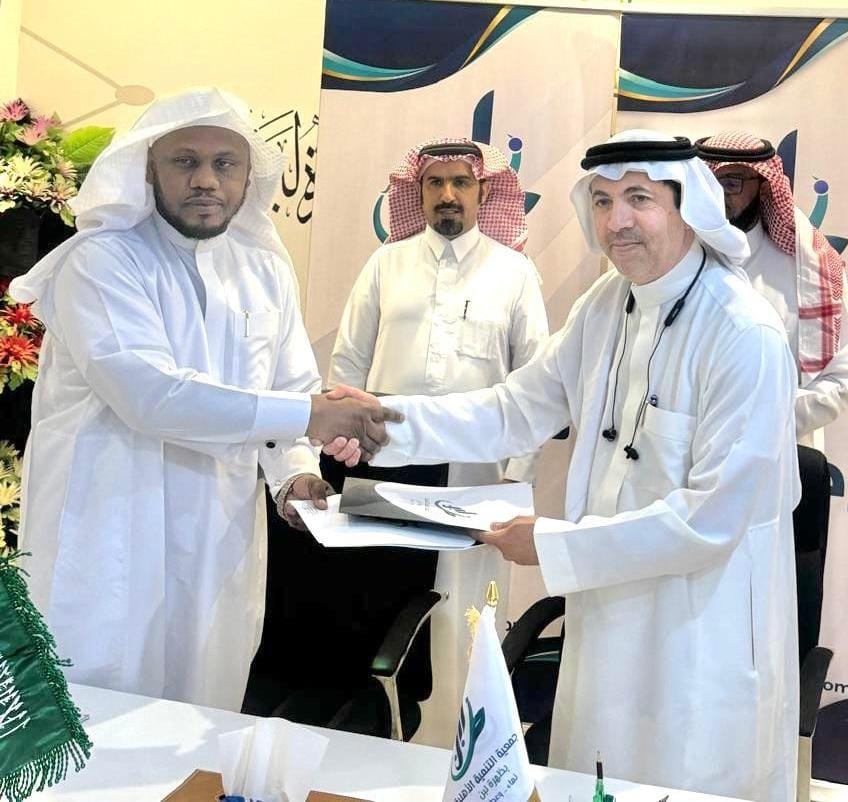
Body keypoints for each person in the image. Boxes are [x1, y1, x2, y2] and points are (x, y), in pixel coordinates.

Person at [326, 129, 801, 801]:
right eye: (602, 201)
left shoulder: (744, 333)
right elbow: (513, 408)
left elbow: (712, 520)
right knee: (592, 776)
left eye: (639, 198)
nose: (617, 221)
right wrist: (383, 420)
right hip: (606, 611)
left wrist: (551, 544)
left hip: (699, 632)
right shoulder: (604, 306)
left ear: (689, 207)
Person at [9, 87, 398, 711]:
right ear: (149, 168)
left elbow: (288, 385)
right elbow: (150, 395)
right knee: (95, 716)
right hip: (109, 529)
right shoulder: (101, 260)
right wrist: (313, 415)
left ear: (248, 175)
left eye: (224, 163)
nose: (206, 180)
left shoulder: (264, 268)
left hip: (219, 537)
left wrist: (294, 477)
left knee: (203, 710)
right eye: (185, 161)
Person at [323, 139, 549, 743]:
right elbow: (348, 363)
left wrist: (514, 476)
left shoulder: (515, 273)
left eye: (461, 183)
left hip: (475, 479)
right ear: (417, 191)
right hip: (385, 471)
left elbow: (535, 385)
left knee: (461, 613)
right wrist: (345, 448)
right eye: (434, 183)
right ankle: (378, 740)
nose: (447, 195)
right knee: (378, 606)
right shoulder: (385, 264)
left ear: (483, 191)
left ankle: (457, 745)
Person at [696, 131, 848, 448]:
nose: (715, 195)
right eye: (706, 182)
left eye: (730, 183)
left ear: (763, 185)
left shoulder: (810, 269)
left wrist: (749, 422)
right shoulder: (670, 263)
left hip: (777, 455)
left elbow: (838, 381)